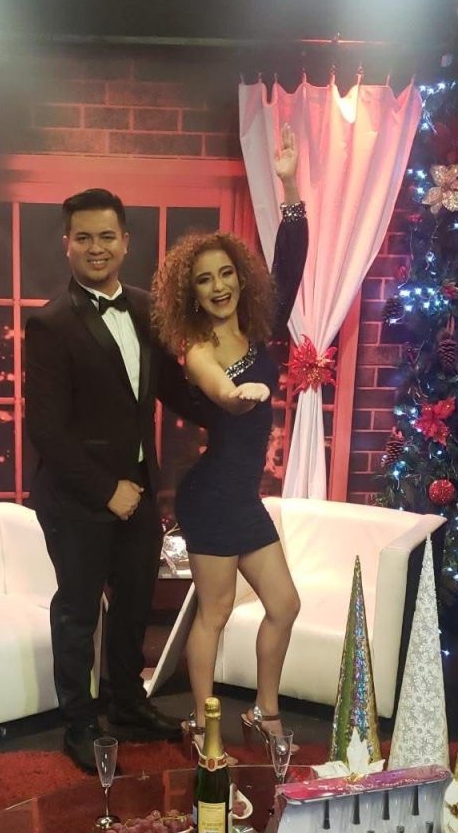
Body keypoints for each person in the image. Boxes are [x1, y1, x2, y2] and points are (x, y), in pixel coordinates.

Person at [24, 188, 207, 774]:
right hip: (77, 496)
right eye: (84, 237)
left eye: (107, 236)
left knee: (133, 607)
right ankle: (79, 724)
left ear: (126, 242)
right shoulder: (50, 322)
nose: (96, 247)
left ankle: (127, 705)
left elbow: (171, 389)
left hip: (140, 491)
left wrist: (227, 409)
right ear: (67, 244)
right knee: (78, 612)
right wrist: (107, 490)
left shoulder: (148, 309)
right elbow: (46, 430)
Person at [151, 124, 308, 756]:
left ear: (241, 278)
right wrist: (239, 395)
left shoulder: (261, 330)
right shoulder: (197, 347)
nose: (218, 286)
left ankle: (264, 713)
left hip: (241, 497)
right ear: (190, 293)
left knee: (285, 604)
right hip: (212, 497)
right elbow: (217, 387)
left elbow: (291, 260)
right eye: (204, 280)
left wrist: (289, 184)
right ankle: (203, 724)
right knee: (213, 613)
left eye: (226, 275)